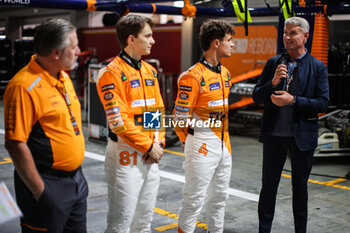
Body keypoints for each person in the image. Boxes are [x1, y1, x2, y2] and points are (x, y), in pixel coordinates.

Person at [4, 18, 88, 233]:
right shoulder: (23, 87)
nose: (79, 51)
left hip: (76, 181)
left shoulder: (63, 76)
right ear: (56, 53)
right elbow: (15, 144)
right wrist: (40, 191)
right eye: (74, 46)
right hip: (46, 184)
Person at [252, 17, 329, 233]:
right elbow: (257, 96)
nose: (287, 37)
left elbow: (323, 102)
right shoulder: (274, 63)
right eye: (285, 33)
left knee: (300, 191)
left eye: (293, 33)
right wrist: (273, 83)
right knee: (268, 189)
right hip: (274, 136)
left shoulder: (317, 67)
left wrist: (293, 101)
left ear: (306, 36)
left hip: (302, 138)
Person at [96, 15, 165, 233]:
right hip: (125, 155)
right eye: (148, 36)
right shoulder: (110, 73)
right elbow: (119, 121)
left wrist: (157, 143)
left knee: (144, 221)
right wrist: (148, 146)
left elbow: (156, 110)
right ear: (131, 39)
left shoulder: (150, 71)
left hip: (150, 154)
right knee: (121, 223)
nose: (152, 41)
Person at [173, 19, 234, 233]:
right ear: (216, 43)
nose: (232, 44)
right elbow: (179, 118)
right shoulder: (192, 76)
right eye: (229, 40)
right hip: (201, 142)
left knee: (220, 197)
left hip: (224, 144)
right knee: (194, 199)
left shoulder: (225, 73)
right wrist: (186, 141)